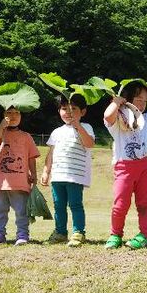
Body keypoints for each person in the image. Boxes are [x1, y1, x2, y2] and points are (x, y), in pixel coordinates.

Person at [103, 80, 147, 250]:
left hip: (143, 166)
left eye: (145, 101)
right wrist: (116, 101)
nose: (142, 104)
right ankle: (115, 235)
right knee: (120, 204)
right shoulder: (118, 119)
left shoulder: (146, 118)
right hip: (124, 167)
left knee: (144, 204)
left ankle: (145, 235)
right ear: (127, 99)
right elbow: (107, 116)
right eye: (138, 100)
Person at [40, 94, 95, 247]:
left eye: (74, 109)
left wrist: (78, 126)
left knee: (75, 204)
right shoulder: (57, 132)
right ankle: (60, 232)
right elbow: (51, 154)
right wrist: (46, 171)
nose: (69, 112)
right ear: (59, 111)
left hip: (75, 176)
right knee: (58, 205)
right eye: (64, 109)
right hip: (57, 176)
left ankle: (78, 232)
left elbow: (89, 144)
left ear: (83, 112)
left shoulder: (86, 127)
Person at [0, 106, 40, 246]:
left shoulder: (26, 136)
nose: (13, 115)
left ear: (21, 116)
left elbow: (31, 157)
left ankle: (22, 234)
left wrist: (34, 174)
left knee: (21, 211)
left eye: (17, 113)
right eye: (9, 112)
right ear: (3, 115)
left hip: (20, 182)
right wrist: (1, 126)